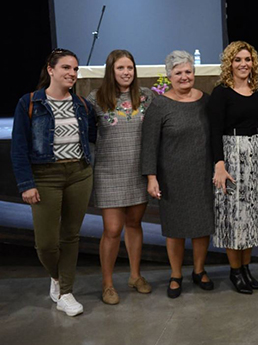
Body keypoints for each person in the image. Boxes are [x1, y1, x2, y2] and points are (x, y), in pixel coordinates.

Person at [11, 48, 96, 316]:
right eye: (66, 68)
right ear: (51, 69)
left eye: (75, 69)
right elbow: (18, 147)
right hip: (44, 177)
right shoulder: (30, 102)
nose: (72, 73)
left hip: (79, 174)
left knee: (70, 236)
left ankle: (66, 292)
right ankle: (57, 278)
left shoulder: (82, 105)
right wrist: (26, 184)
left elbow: (92, 135)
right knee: (46, 243)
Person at [141, 50, 215, 299]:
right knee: (174, 228)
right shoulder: (160, 105)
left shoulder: (206, 101)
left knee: (202, 225)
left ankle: (199, 270)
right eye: (178, 72)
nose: (184, 76)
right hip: (172, 177)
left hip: (202, 174)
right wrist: (151, 177)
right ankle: (175, 274)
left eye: (188, 71)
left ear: (194, 73)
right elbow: (149, 144)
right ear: (169, 76)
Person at [86, 50, 154, 305]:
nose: (126, 72)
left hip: (138, 170)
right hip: (109, 171)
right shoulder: (96, 98)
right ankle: (107, 284)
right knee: (112, 229)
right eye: (120, 68)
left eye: (130, 68)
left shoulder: (146, 97)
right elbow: (89, 134)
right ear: (110, 71)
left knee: (134, 224)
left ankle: (135, 276)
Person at [209, 41, 258, 294]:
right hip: (231, 157)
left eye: (247, 59)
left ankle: (247, 267)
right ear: (230, 64)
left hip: (255, 156)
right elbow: (214, 131)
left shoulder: (255, 90)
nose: (243, 64)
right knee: (234, 218)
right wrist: (219, 165)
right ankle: (235, 271)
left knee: (252, 217)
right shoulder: (221, 93)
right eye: (238, 60)